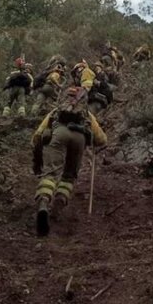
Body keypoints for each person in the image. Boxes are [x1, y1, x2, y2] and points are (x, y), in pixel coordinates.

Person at [32, 86, 107, 236]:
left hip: (59, 133)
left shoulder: (56, 111)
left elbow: (38, 135)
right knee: (69, 175)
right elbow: (102, 139)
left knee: (51, 173)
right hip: (79, 139)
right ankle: (58, 206)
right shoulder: (86, 114)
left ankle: (44, 203)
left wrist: (37, 150)